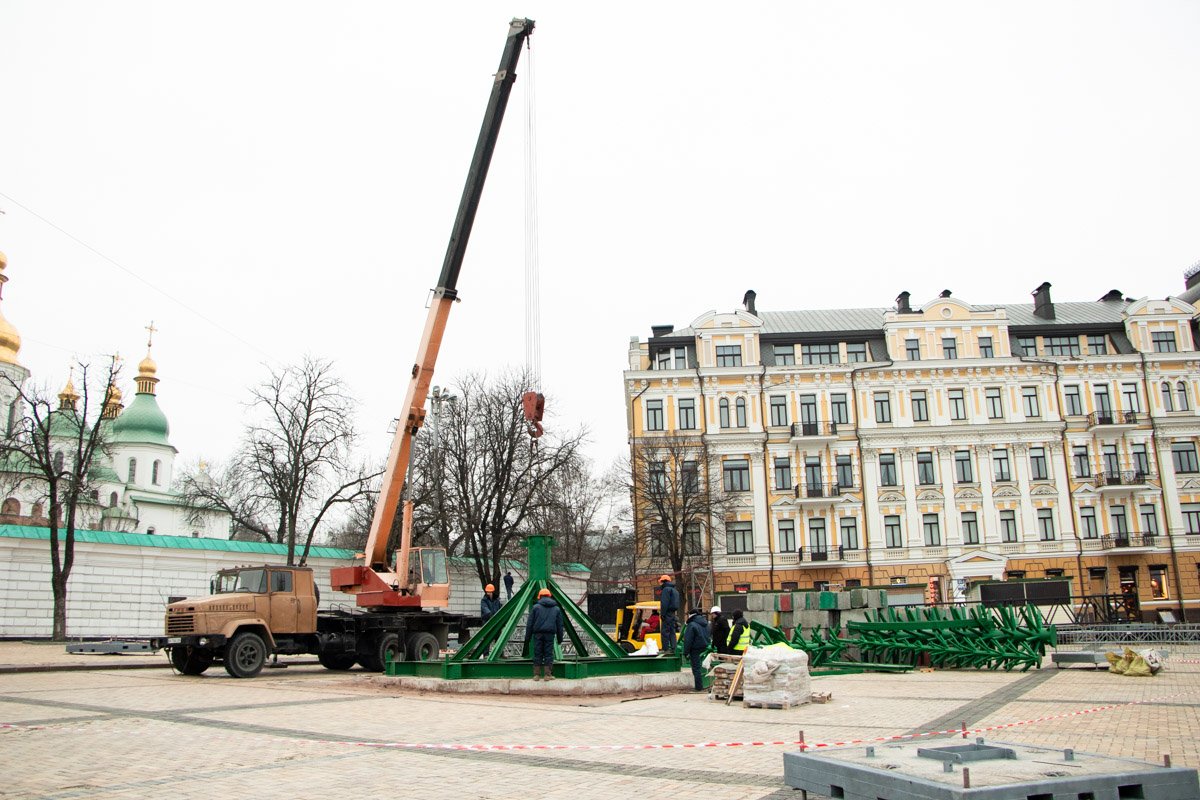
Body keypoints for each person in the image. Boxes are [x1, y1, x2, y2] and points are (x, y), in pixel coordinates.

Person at [524, 587, 564, 681]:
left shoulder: (535, 608)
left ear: (539, 596)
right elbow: (559, 625)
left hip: (538, 634)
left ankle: (537, 675)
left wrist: (527, 637)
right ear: (550, 596)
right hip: (550, 634)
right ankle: (547, 675)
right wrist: (560, 638)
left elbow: (530, 624)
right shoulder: (556, 609)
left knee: (538, 652)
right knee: (548, 653)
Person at [681, 608, 711, 692]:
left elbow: (688, 640)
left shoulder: (692, 625)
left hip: (695, 649)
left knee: (696, 668)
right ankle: (706, 684)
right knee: (705, 667)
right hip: (705, 648)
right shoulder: (706, 623)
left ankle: (698, 687)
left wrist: (685, 652)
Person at [658, 574, 680, 652]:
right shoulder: (675, 590)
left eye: (660, 582)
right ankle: (674, 648)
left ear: (663, 581)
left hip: (667, 613)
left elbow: (664, 603)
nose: (660, 584)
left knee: (665, 631)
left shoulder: (666, 590)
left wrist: (662, 614)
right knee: (672, 631)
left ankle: (665, 649)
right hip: (673, 613)